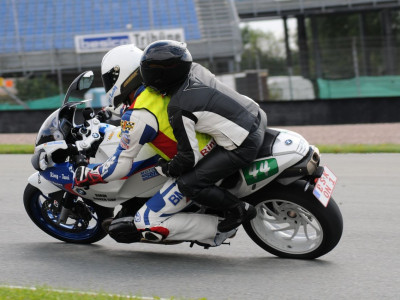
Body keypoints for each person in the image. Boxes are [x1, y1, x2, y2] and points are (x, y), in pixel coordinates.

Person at [73, 44, 236, 246]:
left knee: (145, 222)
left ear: (122, 75)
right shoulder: (160, 88)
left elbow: (119, 166)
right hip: (217, 150)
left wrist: (89, 175)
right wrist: (108, 112)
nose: (109, 85)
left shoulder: (139, 115)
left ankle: (219, 228)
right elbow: (140, 108)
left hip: (196, 168)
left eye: (110, 80)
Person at [140, 40, 268, 233]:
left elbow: (188, 157)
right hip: (258, 114)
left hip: (244, 142)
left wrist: (167, 169)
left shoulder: (178, 107)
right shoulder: (196, 69)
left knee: (188, 184)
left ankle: (239, 210)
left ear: (159, 75)